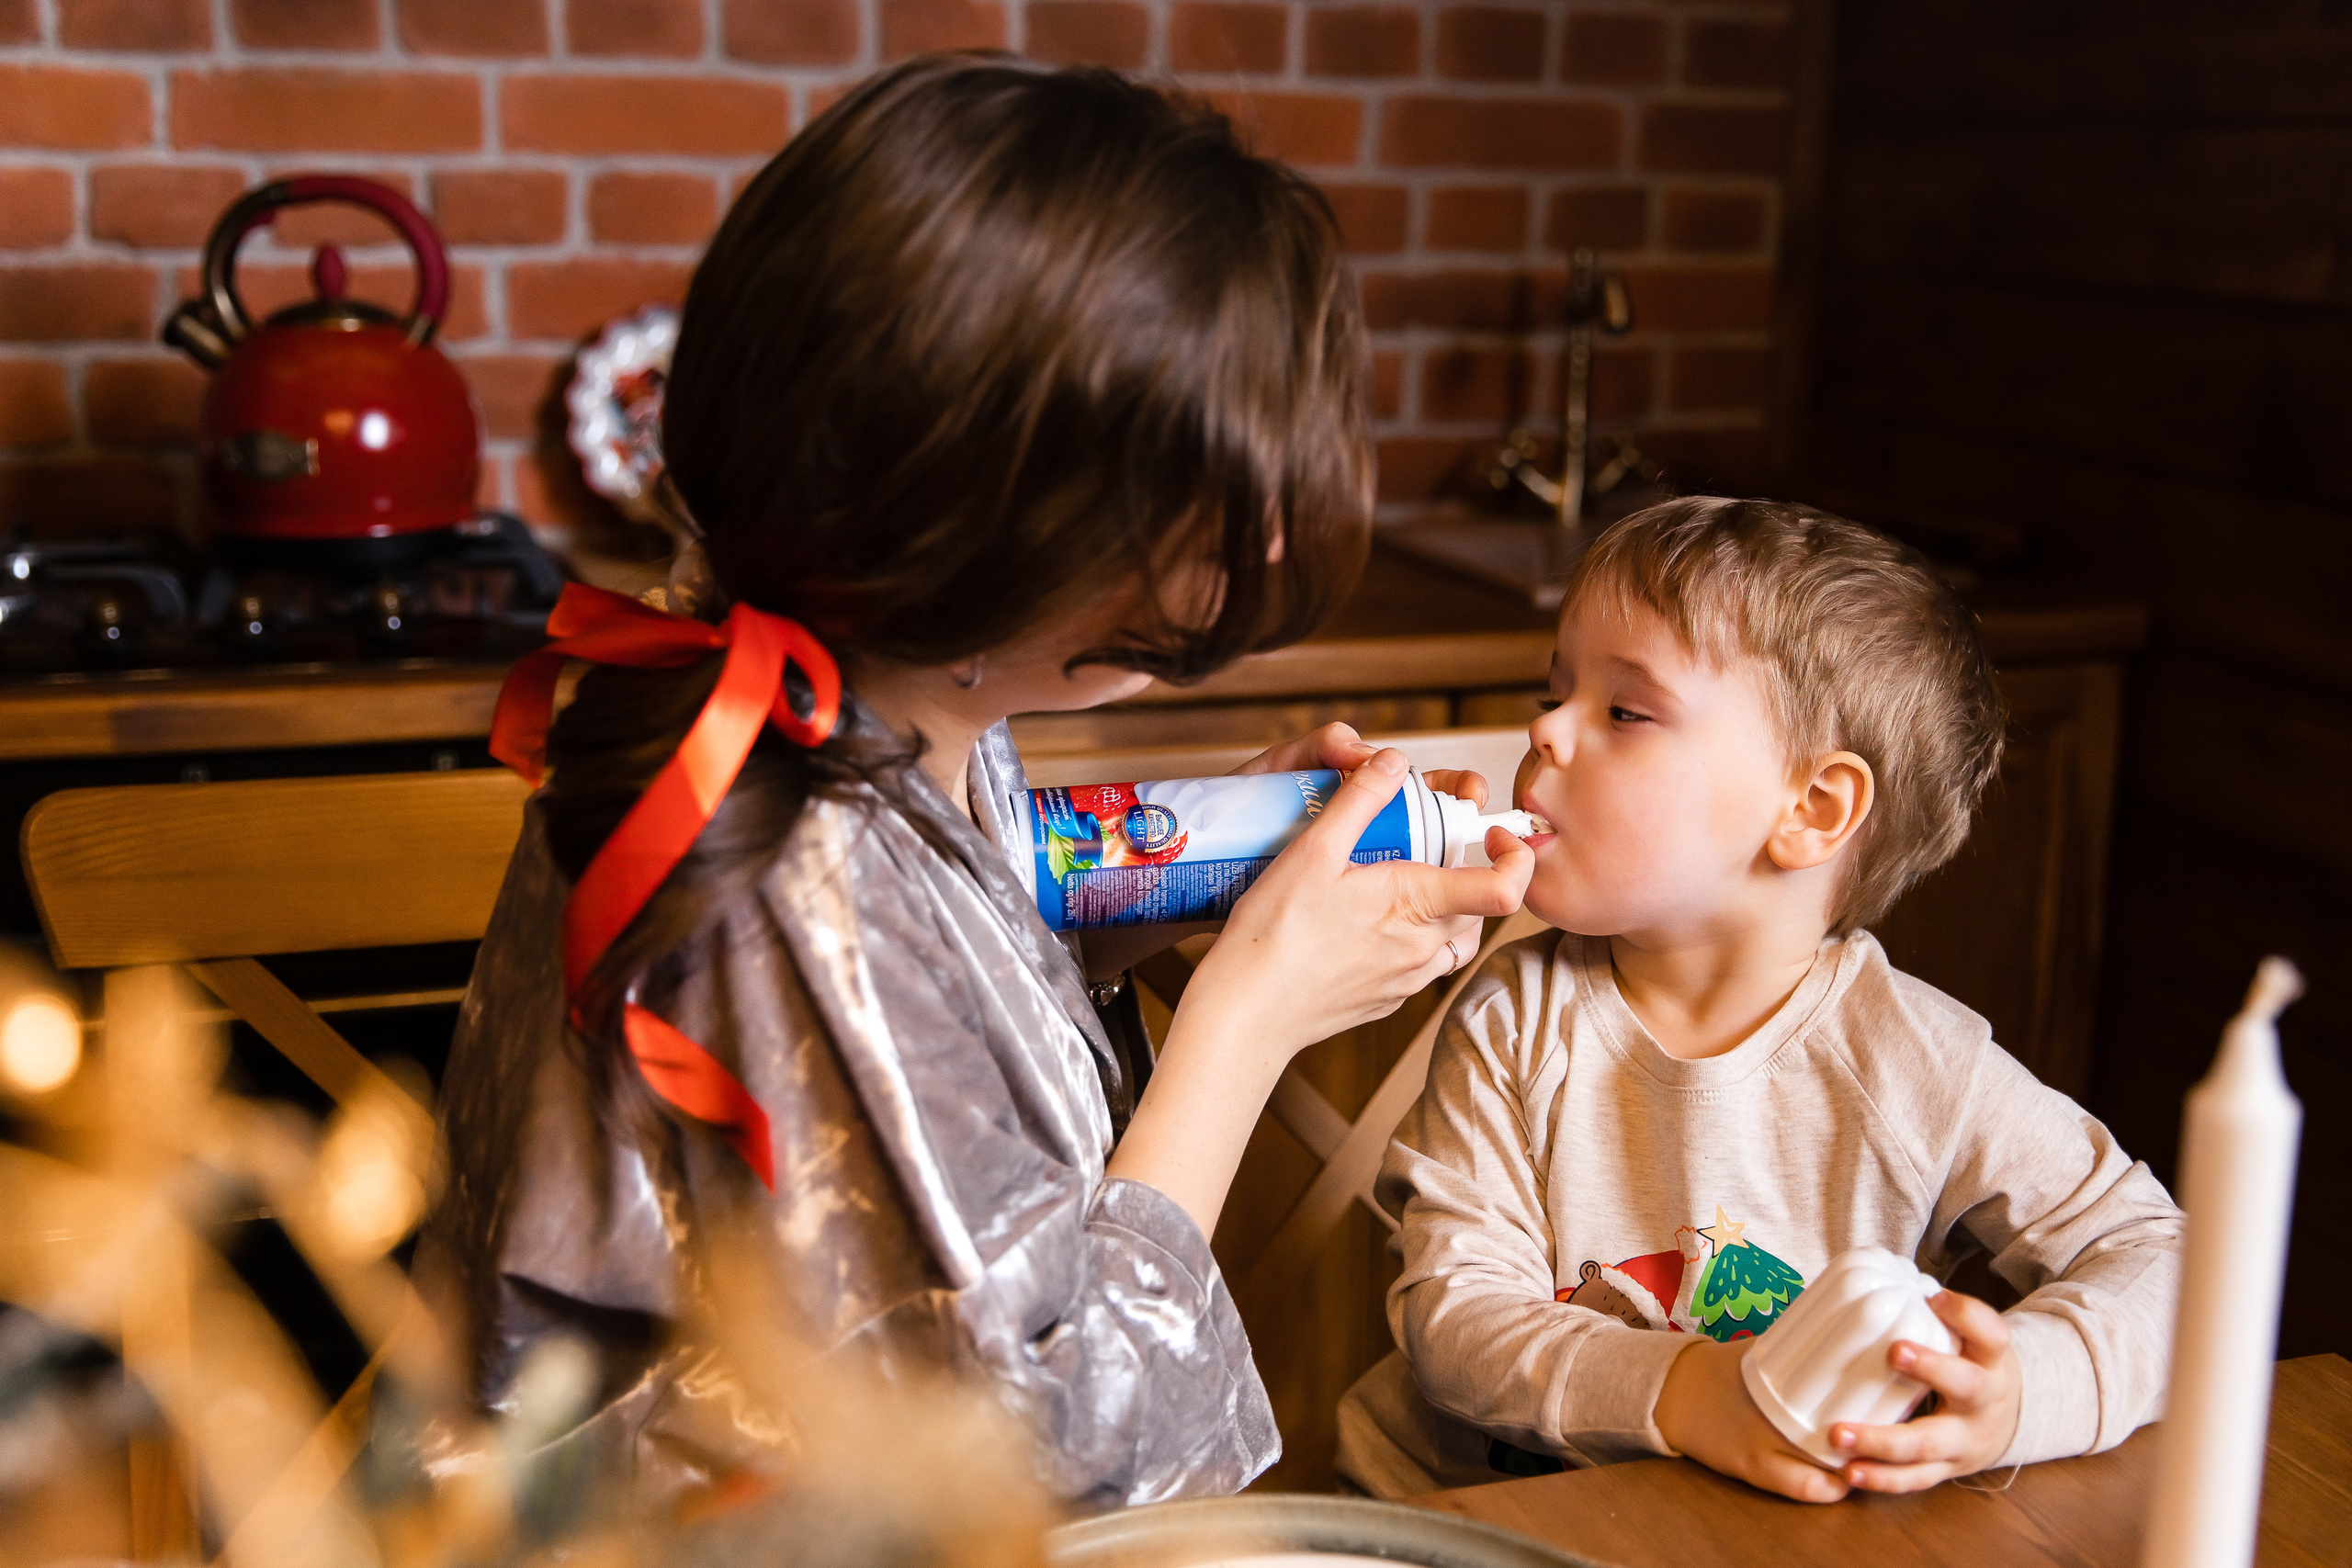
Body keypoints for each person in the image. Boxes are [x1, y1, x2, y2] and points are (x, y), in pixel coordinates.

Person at [414, 55, 1532, 1516]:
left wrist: (1197, 873)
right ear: (992, 534)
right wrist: (1252, 1009)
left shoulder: (853, 688)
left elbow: (938, 1001)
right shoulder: (786, 862)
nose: (1243, 563)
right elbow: (1028, 1450)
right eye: (1205, 519)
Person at [1335, 498, 2183, 1502]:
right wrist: (1688, 1391)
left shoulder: (1916, 1061)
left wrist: (2020, 1394)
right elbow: (1456, 1320)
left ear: (1810, 810)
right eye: (1554, 688)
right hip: (1461, 1521)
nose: (1545, 729)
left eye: (1624, 710)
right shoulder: (1516, 1021)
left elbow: (2163, 1266)